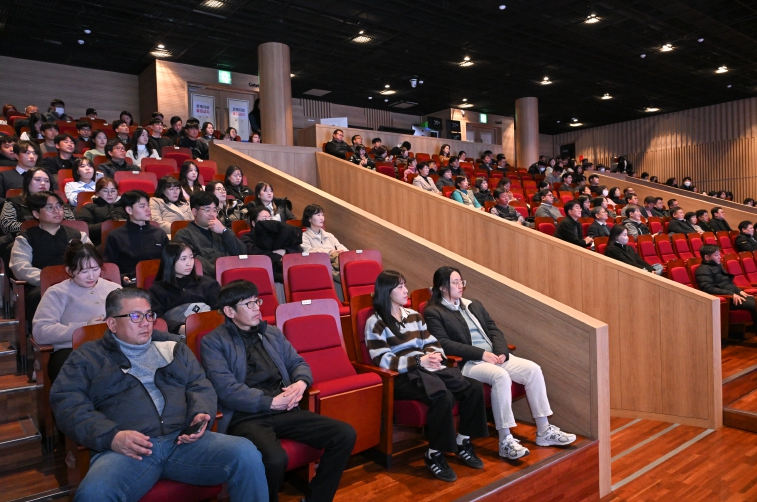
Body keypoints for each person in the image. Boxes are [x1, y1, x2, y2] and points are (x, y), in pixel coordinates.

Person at [50, 288, 268, 502]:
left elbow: (200, 385)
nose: (145, 323)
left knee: (246, 453)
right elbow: (68, 405)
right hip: (128, 450)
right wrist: (111, 437)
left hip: (182, 442)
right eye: (135, 316)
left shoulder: (173, 347)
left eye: (149, 315)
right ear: (112, 323)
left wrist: (201, 412)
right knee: (94, 494)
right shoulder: (88, 358)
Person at [200, 279, 355, 501]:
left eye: (257, 301)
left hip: (284, 409)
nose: (257, 308)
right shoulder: (213, 342)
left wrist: (301, 383)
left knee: (344, 434)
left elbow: (298, 363)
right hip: (247, 416)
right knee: (274, 460)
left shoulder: (271, 333)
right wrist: (270, 402)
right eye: (249, 304)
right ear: (229, 311)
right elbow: (227, 389)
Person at [424, 266, 576, 460]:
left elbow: (493, 329)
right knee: (501, 376)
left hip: (494, 357)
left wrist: (501, 352)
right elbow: (444, 344)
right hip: (469, 363)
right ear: (442, 287)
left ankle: (544, 431)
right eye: (455, 282)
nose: (460, 286)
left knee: (533, 369)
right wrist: (482, 354)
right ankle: (505, 440)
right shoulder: (433, 312)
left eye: (461, 281)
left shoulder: (473, 305)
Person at [365, 271, 488, 482]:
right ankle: (434, 455)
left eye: (405, 285)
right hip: (401, 376)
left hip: (426, 368)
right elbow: (383, 360)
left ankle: (463, 441)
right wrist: (418, 361)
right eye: (400, 287)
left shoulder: (413, 315)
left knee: (473, 388)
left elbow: (432, 343)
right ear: (387, 292)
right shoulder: (375, 322)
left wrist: (434, 356)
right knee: (443, 397)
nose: (406, 291)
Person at [32, 241, 121, 382]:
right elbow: (41, 331)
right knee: (79, 374)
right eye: (84, 272)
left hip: (111, 346)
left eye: (95, 269)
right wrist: (84, 328)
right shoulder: (57, 293)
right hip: (72, 349)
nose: (91, 276)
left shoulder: (114, 289)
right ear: (69, 271)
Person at [10, 192, 91, 320]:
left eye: (59, 206)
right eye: (49, 207)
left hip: (77, 280)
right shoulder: (26, 238)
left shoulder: (78, 235)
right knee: (40, 295)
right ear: (36, 214)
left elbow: (92, 260)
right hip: (43, 285)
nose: (56, 211)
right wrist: (49, 279)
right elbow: (20, 267)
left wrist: (78, 277)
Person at [149, 242, 220, 334]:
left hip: (210, 330)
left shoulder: (209, 284)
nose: (189, 263)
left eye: (191, 257)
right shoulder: (157, 291)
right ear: (170, 261)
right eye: (183, 259)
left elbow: (219, 310)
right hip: (177, 335)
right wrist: (180, 328)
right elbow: (156, 319)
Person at [172, 190, 246, 279]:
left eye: (215, 210)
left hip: (231, 277)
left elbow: (242, 252)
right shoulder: (184, 234)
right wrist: (222, 271)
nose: (212, 214)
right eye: (207, 210)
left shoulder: (222, 230)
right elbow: (193, 262)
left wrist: (224, 231)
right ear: (194, 211)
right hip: (203, 281)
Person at [103, 190, 169, 286]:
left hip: (159, 283)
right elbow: (110, 266)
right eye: (142, 206)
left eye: (148, 205)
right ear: (129, 210)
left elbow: (168, 262)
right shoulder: (115, 236)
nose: (148, 209)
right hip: (131, 285)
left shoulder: (160, 234)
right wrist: (122, 277)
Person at [0, 167, 72, 238]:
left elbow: (71, 223)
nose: (43, 183)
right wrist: (40, 226)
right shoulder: (13, 202)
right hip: (22, 238)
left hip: (57, 238)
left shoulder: (59, 203)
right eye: (37, 180)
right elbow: (6, 226)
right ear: (27, 182)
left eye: (47, 181)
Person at [695, 245, 757, 326]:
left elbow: (728, 283)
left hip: (733, 295)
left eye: (719, 254)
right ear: (707, 257)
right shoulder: (703, 270)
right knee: (754, 304)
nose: (719, 257)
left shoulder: (718, 265)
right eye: (716, 255)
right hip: (726, 299)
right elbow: (708, 288)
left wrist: (739, 291)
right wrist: (731, 294)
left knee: (755, 300)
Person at [240, 206, 302, 282]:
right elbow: (256, 254)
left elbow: (298, 248)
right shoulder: (246, 237)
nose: (268, 221)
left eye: (270, 218)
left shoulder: (278, 234)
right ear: (253, 223)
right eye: (264, 219)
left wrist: (285, 251)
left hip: (283, 270)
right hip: (262, 274)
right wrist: (277, 256)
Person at [76, 177, 127, 247]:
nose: (110, 194)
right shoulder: (89, 207)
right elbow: (84, 229)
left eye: (113, 191)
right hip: (101, 243)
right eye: (105, 191)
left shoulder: (125, 207)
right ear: (97, 193)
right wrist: (108, 225)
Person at [301, 204, 347, 279]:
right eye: (318, 215)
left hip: (336, 264)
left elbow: (340, 246)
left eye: (322, 215)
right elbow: (308, 252)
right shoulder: (304, 236)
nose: (322, 218)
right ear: (309, 218)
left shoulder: (329, 235)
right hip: (319, 267)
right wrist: (329, 252)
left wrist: (346, 253)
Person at [0, 140, 37, 205]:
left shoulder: (45, 175)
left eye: (34, 153)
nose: (32, 156)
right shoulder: (3, 176)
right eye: (27, 153)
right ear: (16, 156)